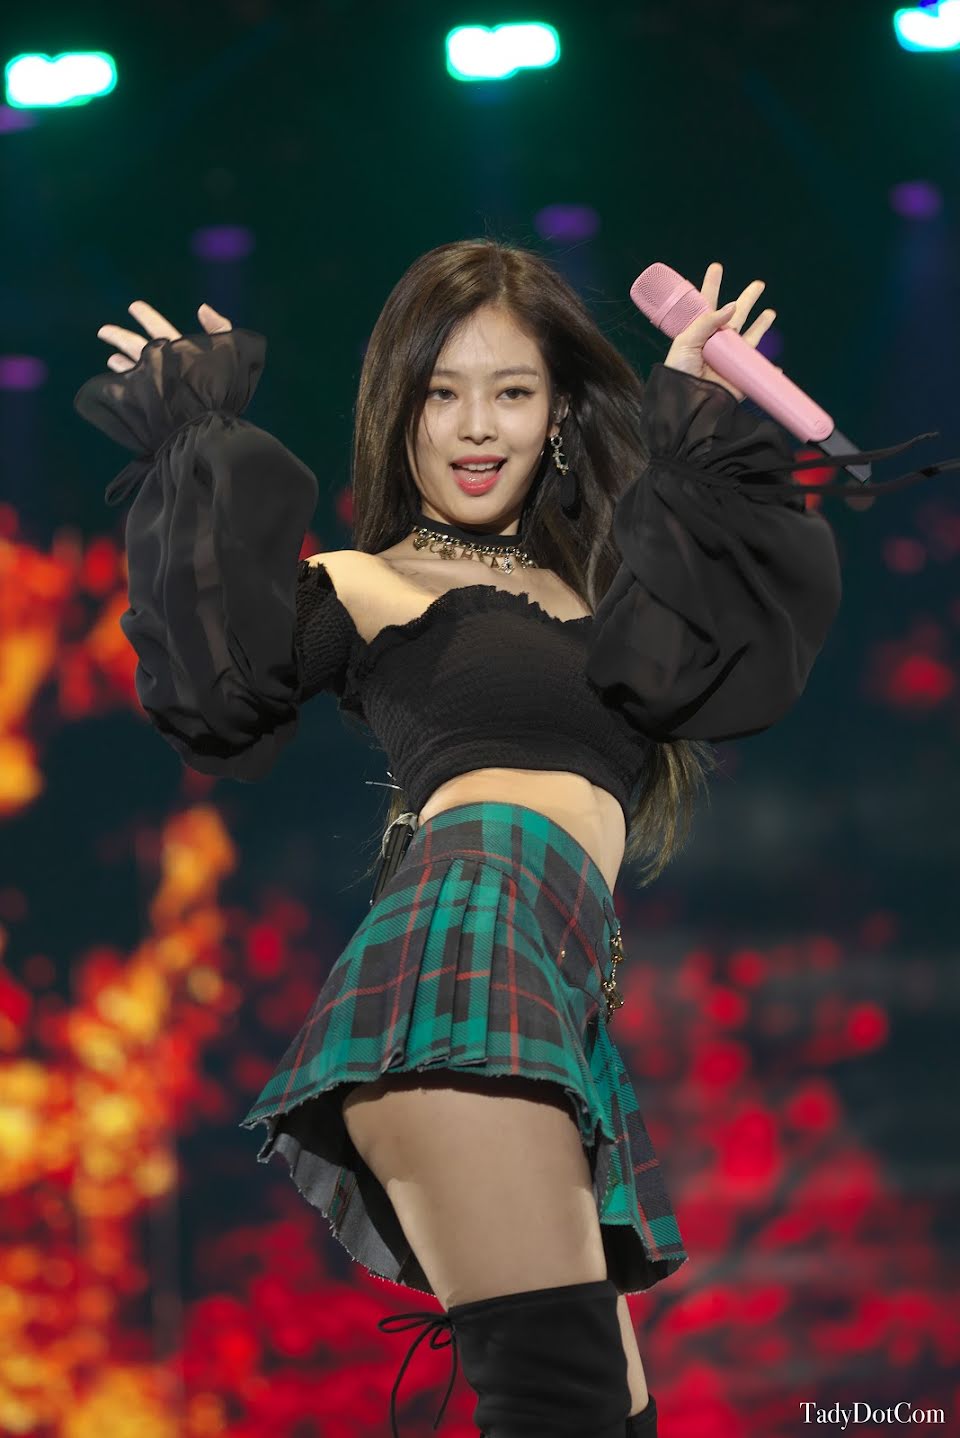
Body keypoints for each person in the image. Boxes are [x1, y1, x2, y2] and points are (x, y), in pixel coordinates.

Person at [74, 240, 955, 1438]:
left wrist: (695, 409)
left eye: (512, 390)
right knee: (560, 1400)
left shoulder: (608, 596)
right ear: (399, 412)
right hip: (461, 964)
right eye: (441, 391)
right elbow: (221, 688)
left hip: (551, 996)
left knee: (609, 1416)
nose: (476, 425)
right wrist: (192, 440)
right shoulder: (368, 581)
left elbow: (731, 644)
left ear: (560, 414)